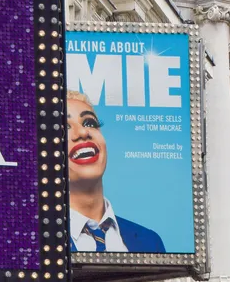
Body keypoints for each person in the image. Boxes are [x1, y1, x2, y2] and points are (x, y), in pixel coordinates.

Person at [66, 91, 165, 253]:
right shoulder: (34, 237)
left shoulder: (149, 241)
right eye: (64, 127)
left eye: (89, 123)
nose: (83, 133)